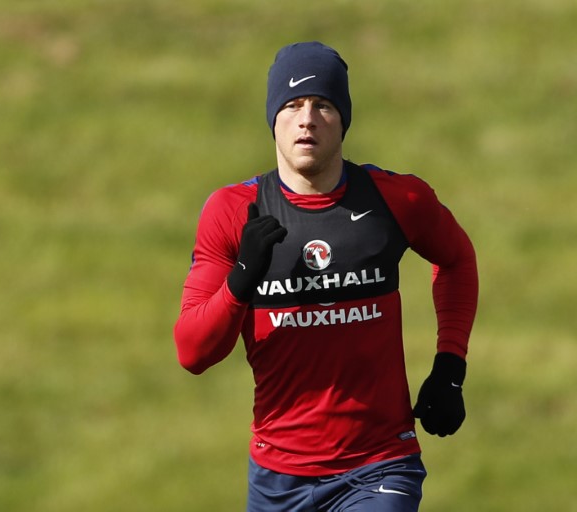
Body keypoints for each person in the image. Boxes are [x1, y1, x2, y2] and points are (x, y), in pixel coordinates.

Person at [174, 41, 479, 512]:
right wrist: (240, 281)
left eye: (324, 105)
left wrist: (450, 367)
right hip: (278, 479)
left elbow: (457, 258)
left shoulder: (398, 200)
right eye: (292, 105)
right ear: (273, 118)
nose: (307, 118)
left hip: (379, 465)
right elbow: (193, 351)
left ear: (344, 120)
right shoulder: (233, 213)